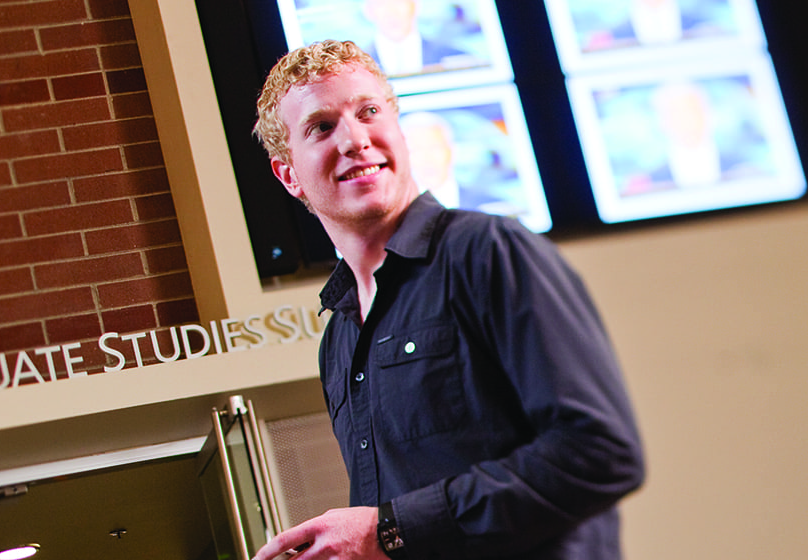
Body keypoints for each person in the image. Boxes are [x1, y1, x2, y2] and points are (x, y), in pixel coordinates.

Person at [251, 39, 645, 560]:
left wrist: (387, 531)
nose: (355, 139)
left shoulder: (486, 252)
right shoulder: (339, 342)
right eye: (322, 127)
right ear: (289, 176)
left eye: (369, 112)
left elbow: (600, 452)